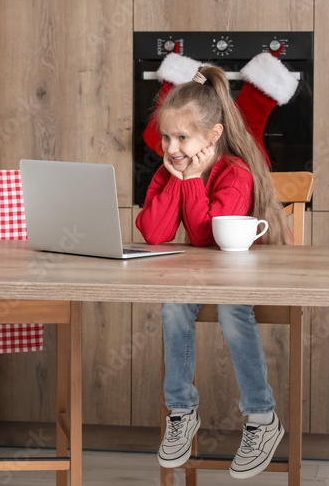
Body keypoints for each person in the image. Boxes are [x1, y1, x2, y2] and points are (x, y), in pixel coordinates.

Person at [135, 63, 291, 480]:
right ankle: (181, 412)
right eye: (167, 137)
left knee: (231, 310)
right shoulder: (170, 172)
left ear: (214, 135)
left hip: (243, 271)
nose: (171, 147)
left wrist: (190, 180)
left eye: (182, 138)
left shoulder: (233, 173)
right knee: (172, 307)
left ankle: (262, 418)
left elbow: (209, 234)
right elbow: (154, 232)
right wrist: (178, 179)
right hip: (202, 272)